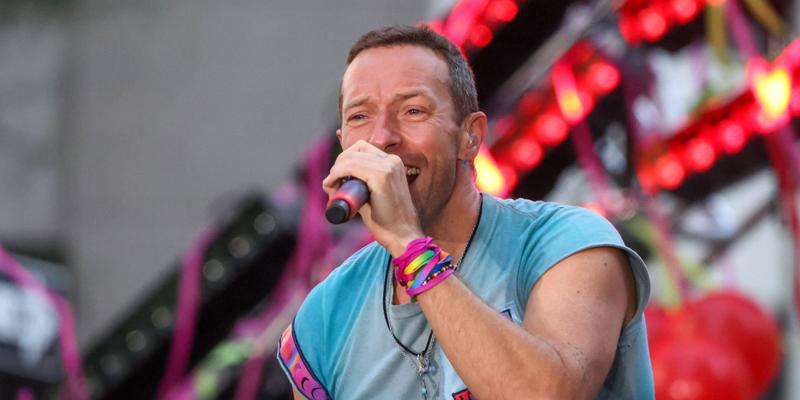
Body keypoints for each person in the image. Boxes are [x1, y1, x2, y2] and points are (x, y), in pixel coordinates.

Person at [277, 25, 653, 399]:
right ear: (343, 145)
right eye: (359, 117)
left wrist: (410, 247)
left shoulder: (571, 245)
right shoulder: (323, 316)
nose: (381, 138)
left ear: (469, 136)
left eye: (412, 110)